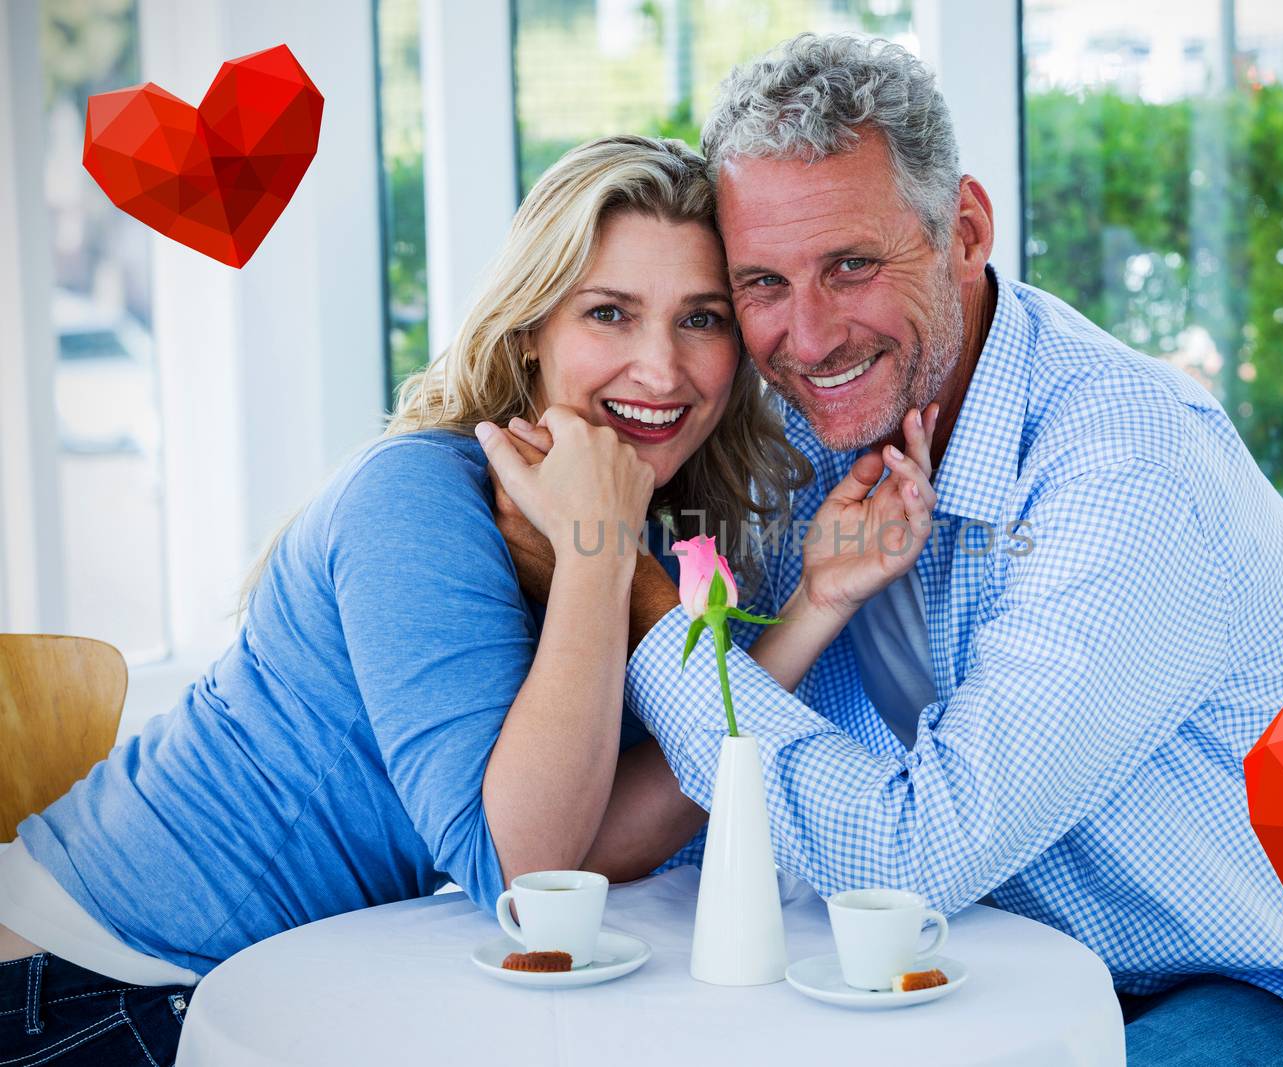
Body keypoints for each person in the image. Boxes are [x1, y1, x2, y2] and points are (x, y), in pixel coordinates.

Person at [490, 36, 1283, 1067]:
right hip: (986, 967)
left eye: (850, 266)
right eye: (762, 281)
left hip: (1245, 986)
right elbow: (688, 790)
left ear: (966, 231)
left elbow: (912, 850)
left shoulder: (1127, 470)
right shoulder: (800, 426)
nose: (806, 340)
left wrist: (632, 586)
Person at [0, 134, 933, 1065]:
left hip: (243, 985)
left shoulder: (627, 519)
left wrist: (817, 601)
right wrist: (597, 555)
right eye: (608, 313)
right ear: (530, 330)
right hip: (87, 981)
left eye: (701, 318)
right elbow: (530, 879)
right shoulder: (416, 496)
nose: (661, 369)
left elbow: (590, 838)